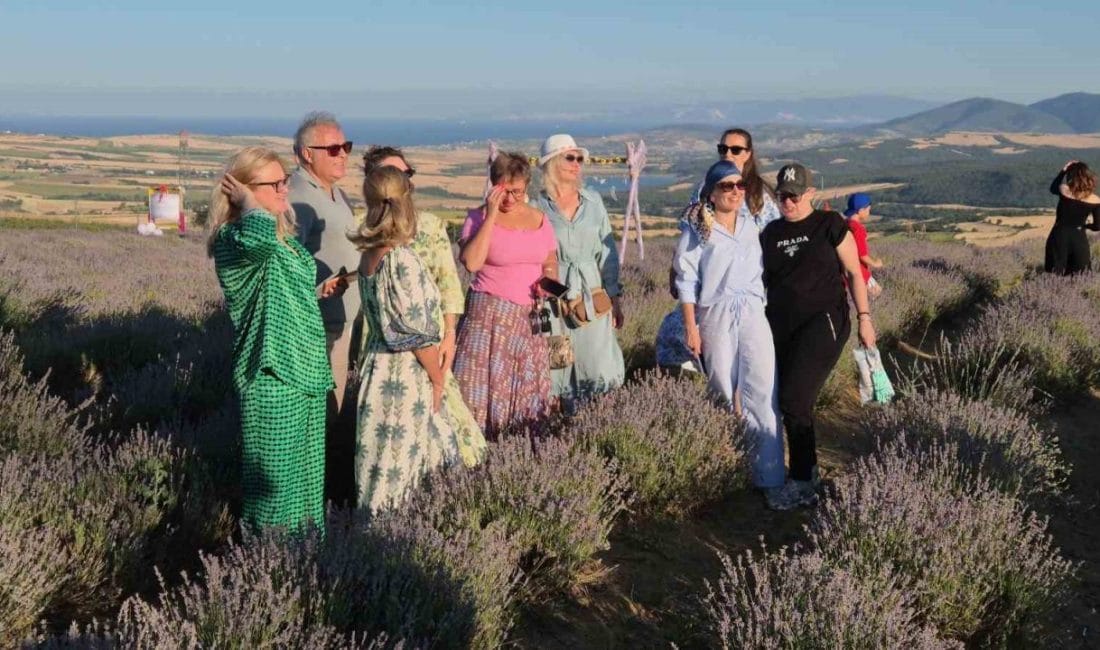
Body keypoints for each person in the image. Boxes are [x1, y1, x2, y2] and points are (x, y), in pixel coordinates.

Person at [207, 146, 335, 531]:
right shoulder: (235, 239)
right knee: (275, 495)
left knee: (307, 491)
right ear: (241, 191)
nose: (284, 189)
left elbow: (278, 285)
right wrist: (247, 204)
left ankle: (308, 568)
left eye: (286, 181)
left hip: (308, 374)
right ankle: (266, 572)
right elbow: (258, 244)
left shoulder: (283, 239)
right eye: (274, 183)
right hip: (273, 376)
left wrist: (315, 291)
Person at [349, 166, 487, 513]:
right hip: (404, 376)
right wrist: (438, 379)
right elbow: (414, 336)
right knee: (406, 469)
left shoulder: (370, 255)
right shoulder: (400, 259)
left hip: (377, 369)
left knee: (380, 469)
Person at [761, 163, 876, 510]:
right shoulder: (770, 234)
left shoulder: (830, 225)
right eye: (782, 196)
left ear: (811, 194)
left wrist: (865, 319)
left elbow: (855, 273)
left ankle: (803, 480)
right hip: (780, 324)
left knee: (795, 398)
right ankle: (800, 472)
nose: (788, 202)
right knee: (786, 400)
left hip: (825, 320)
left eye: (795, 195)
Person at [674, 160, 785, 504]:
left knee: (762, 388)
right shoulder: (697, 229)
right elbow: (686, 279)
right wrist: (691, 326)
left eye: (740, 186)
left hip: (753, 311)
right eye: (727, 186)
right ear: (711, 191)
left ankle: (769, 476)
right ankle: (723, 471)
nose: (736, 191)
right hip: (716, 313)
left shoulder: (754, 224)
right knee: (720, 388)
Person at [454, 152, 559, 438]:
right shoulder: (477, 218)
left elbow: (550, 261)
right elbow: (472, 262)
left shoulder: (539, 219)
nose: (511, 199)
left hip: (529, 322)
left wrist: (548, 281)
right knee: (477, 396)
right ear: (492, 187)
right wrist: (489, 216)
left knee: (526, 399)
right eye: (504, 191)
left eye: (517, 191)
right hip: (488, 319)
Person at [534, 134, 625, 407]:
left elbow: (607, 255)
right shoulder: (536, 206)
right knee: (558, 361)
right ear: (552, 164)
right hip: (554, 295)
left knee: (597, 360)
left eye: (580, 158)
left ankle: (599, 422)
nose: (578, 164)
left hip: (592, 293)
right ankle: (561, 428)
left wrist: (615, 297)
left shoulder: (593, 201)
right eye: (570, 158)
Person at [362, 145, 465, 372]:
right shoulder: (362, 230)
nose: (402, 180)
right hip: (382, 347)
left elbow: (448, 283)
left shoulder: (431, 225)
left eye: (405, 174)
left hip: (430, 346)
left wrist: (449, 334)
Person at [288, 112, 359, 427]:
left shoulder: (335, 193)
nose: (342, 153)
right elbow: (287, 263)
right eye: (333, 149)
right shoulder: (297, 197)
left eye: (346, 146)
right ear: (307, 154)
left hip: (340, 320)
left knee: (335, 409)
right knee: (319, 418)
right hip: (317, 327)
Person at [1045, 160, 1100, 275]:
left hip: (1059, 235)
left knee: (1055, 273)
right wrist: (1085, 226)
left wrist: (1063, 170)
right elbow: (1097, 226)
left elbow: (1053, 188)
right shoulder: (1096, 200)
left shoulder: (1064, 191)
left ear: (1071, 176)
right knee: (1080, 275)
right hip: (1079, 238)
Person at [843, 192, 884, 298]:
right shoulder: (858, 229)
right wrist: (876, 263)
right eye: (868, 210)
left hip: (846, 273)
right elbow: (862, 255)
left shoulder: (845, 224)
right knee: (878, 296)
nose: (869, 213)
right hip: (860, 273)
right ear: (861, 210)